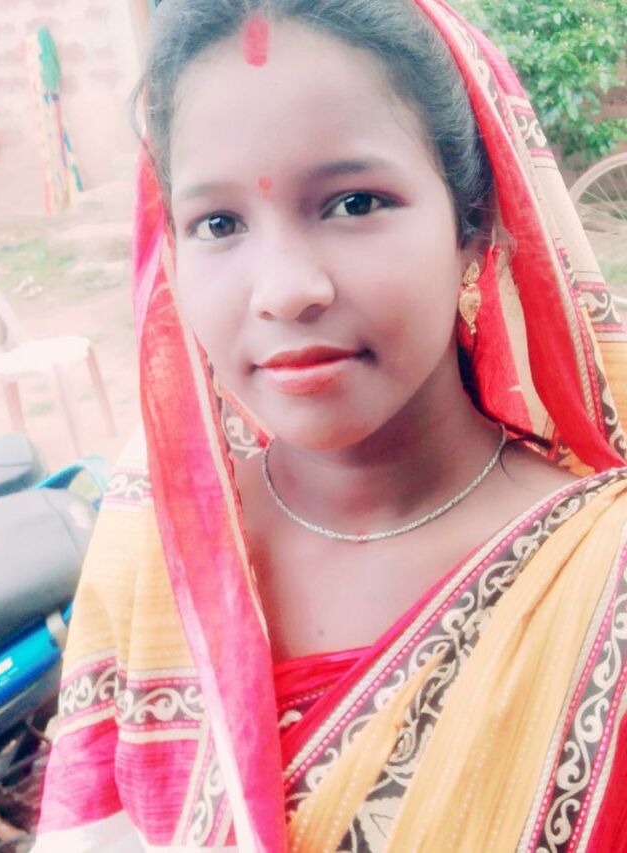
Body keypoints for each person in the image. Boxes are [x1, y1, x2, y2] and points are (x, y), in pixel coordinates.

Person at [32, 0, 627, 850]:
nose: (284, 289)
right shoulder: (155, 549)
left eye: (353, 202)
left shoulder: (600, 580)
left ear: (473, 225)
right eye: (219, 224)